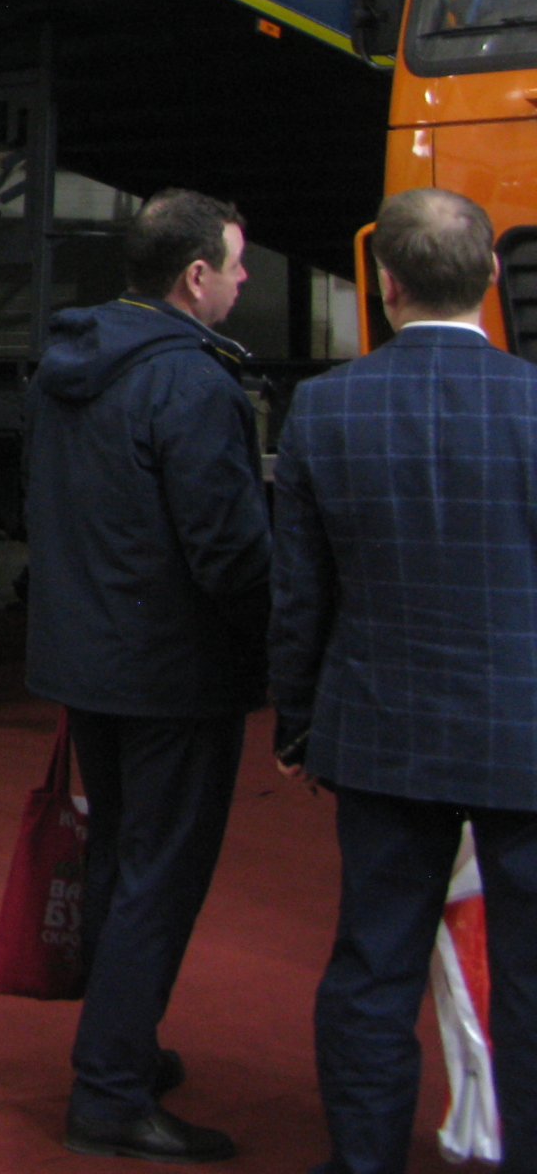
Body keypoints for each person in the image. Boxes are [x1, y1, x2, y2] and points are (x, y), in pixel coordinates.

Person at [272, 187, 537, 1174]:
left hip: (383, 728)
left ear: (382, 284)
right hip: (525, 733)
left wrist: (297, 724)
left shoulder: (324, 408)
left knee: (372, 966)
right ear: (492, 275)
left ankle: (364, 1160)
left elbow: (300, 595)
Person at [25, 188, 271, 1163]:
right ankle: (110, 1090)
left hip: (88, 661)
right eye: (237, 266)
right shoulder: (193, 385)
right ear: (195, 276)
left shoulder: (66, 365)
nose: (243, 281)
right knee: (159, 877)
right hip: (175, 671)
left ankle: (121, 1046)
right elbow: (229, 553)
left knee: (122, 859)